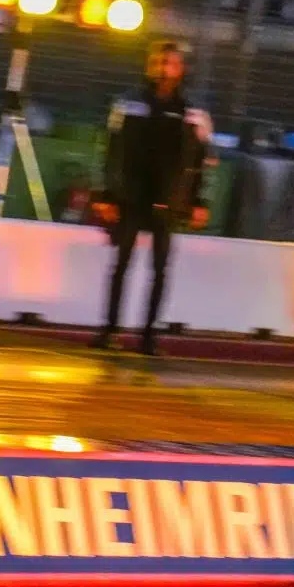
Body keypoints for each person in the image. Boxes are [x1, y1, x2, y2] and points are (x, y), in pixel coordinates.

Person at [91, 40, 212, 355]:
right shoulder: (128, 103)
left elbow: (200, 162)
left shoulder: (193, 112)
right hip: (130, 196)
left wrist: (200, 202)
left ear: (181, 69)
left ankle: (149, 338)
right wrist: (106, 195)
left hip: (170, 200)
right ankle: (110, 330)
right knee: (121, 265)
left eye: (169, 63)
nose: (162, 69)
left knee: (160, 269)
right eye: (158, 62)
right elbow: (111, 152)